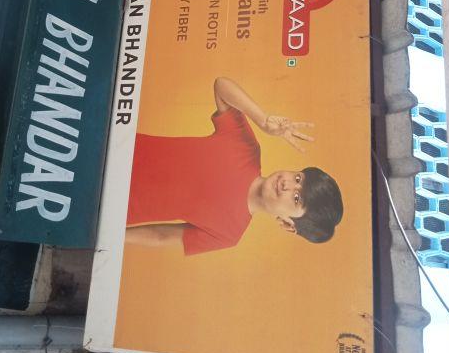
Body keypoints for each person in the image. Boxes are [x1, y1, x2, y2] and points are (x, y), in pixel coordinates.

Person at [125, 77, 343, 254]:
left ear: (289, 225)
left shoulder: (229, 234)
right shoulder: (247, 148)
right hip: (121, 147)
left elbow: (161, 236)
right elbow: (221, 86)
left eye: (296, 198)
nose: (288, 185)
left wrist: (119, 235)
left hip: (119, 205)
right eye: (298, 179)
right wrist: (262, 120)